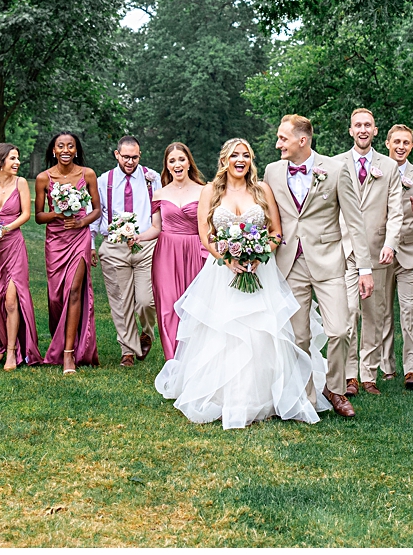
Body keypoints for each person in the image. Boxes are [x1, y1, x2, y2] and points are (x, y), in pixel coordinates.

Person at [155, 138, 328, 427]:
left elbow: (275, 232)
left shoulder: (262, 190)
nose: (240, 160)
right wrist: (227, 257)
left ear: (251, 160)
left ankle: (267, 398)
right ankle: (225, 397)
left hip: (261, 273)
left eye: (245, 155)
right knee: (224, 333)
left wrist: (260, 255)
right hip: (223, 272)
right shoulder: (211, 191)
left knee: (262, 333)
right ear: (224, 160)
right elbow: (205, 234)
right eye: (234, 155)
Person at [262, 114, 364, 418]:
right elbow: (266, 214)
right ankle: (305, 395)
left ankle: (334, 388)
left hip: (329, 261)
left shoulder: (334, 170)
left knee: (340, 330)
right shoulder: (272, 171)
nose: (278, 143)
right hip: (289, 262)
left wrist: (365, 268)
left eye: (283, 138)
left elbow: (355, 222)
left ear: (302, 140)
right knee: (299, 337)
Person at [334, 108, 401, 396]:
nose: (362, 129)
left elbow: (396, 211)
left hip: (377, 251)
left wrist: (390, 243)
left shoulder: (389, 167)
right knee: (348, 313)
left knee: (375, 315)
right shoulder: (335, 164)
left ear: (375, 131)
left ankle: (369, 374)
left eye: (368, 125)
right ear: (350, 130)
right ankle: (349, 375)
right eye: (357, 125)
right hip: (346, 250)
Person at [33, 131, 101, 371]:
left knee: (74, 291)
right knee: (55, 297)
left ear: (76, 150)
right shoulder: (43, 178)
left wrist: (82, 222)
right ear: (53, 150)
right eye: (60, 146)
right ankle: (59, 337)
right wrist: (56, 214)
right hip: (55, 240)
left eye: (70, 146)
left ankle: (69, 353)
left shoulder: (87, 174)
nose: (65, 150)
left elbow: (96, 209)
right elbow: (39, 216)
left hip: (79, 237)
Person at [93, 136, 161, 366]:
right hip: (114, 245)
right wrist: (92, 243)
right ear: (116, 155)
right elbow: (98, 212)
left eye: (135, 157)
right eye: (126, 157)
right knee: (120, 301)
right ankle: (128, 350)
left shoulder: (152, 178)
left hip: (145, 243)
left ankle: (147, 333)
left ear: (140, 155)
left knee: (146, 301)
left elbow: (159, 210)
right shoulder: (104, 180)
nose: (130, 162)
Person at [377, 123, 413, 390]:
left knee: (410, 310)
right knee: (382, 312)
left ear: (412, 146)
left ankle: (412, 369)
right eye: (396, 141)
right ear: (388, 143)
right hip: (380, 253)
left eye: (406, 143)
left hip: (411, 254)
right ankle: (386, 365)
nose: (401, 146)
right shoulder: (374, 172)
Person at [0, 143, 40, 368]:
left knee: (12, 301)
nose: (18, 163)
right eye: (13, 159)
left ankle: (12, 352)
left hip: (13, 246)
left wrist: (6, 228)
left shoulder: (21, 183)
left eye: (18, 158)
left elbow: (26, 214)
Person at [151, 141, 208, 360]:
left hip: (195, 250)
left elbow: (208, 226)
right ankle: (173, 362)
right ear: (166, 166)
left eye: (181, 159)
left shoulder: (204, 191)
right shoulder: (159, 194)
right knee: (167, 307)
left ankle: (194, 360)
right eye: (172, 160)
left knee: (194, 307)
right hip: (166, 253)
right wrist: (135, 237)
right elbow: (156, 228)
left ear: (189, 163)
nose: (177, 164)